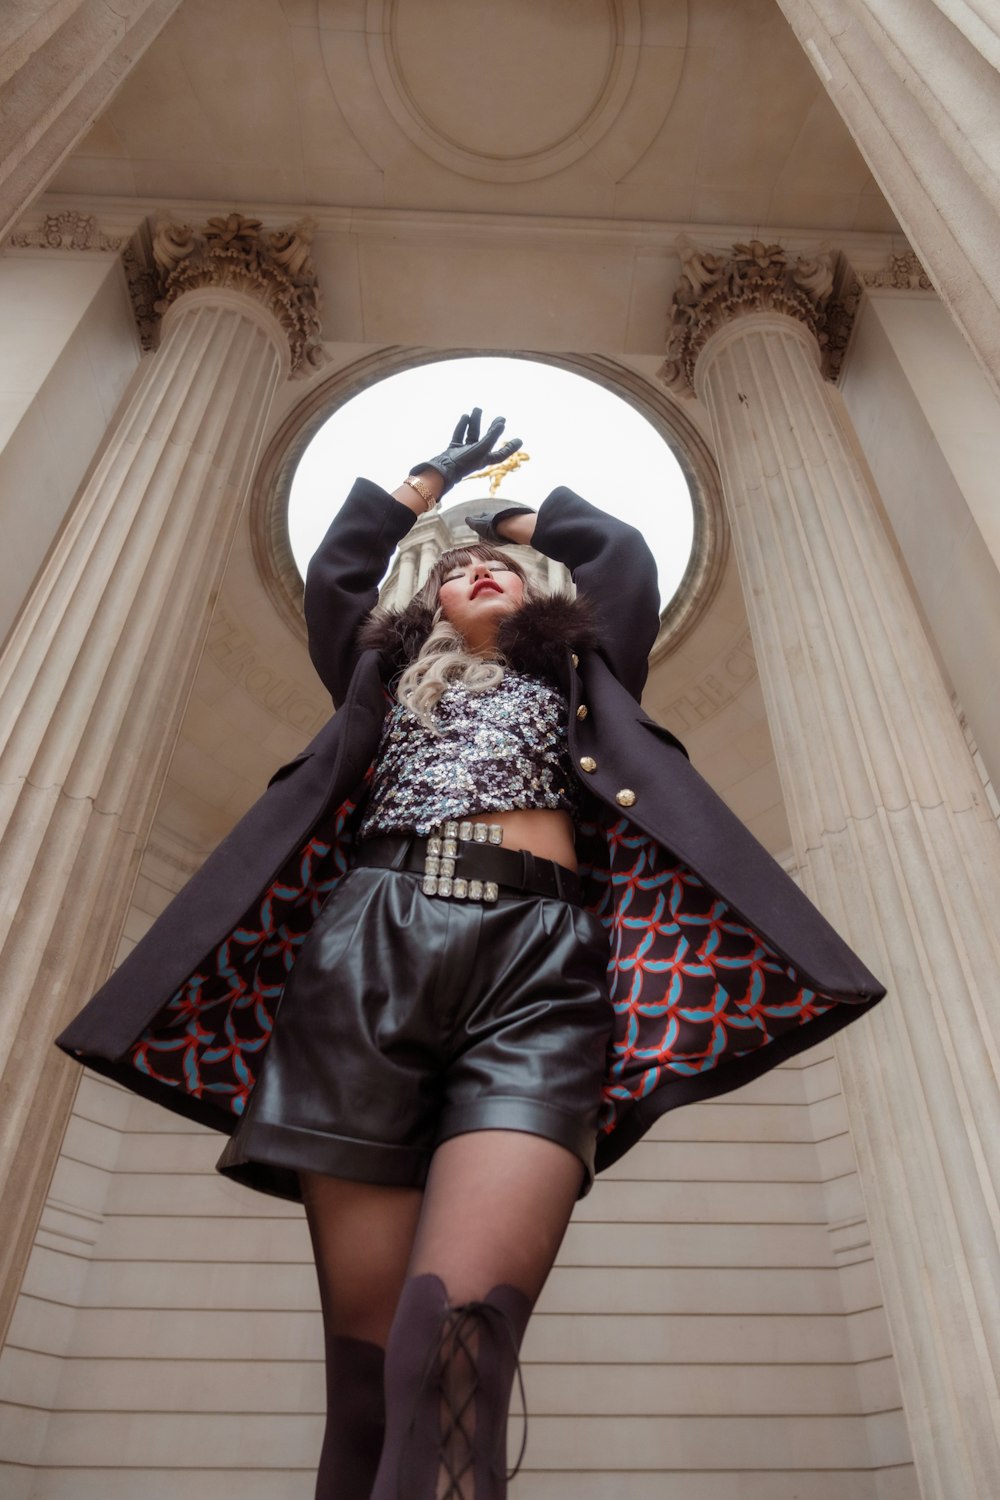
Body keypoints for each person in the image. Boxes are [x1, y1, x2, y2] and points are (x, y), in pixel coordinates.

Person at [56, 410, 885, 1499]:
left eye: (504, 566)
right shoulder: (378, 677)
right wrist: (427, 484)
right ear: (427, 601)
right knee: (363, 1383)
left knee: (458, 1342)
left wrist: (500, 511)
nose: (482, 571)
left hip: (543, 970)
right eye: (460, 570)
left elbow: (619, 554)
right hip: (366, 959)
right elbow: (342, 571)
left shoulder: (586, 669)